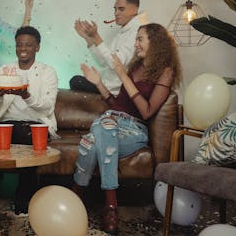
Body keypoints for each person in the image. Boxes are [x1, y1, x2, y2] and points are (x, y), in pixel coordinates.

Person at [71, 23, 182, 234]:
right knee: (105, 125)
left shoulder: (166, 71)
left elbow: (147, 112)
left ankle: (77, 193)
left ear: (155, 43)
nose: (136, 43)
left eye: (140, 39)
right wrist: (98, 83)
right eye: (136, 39)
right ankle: (111, 206)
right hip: (110, 120)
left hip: (134, 129)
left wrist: (123, 76)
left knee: (90, 141)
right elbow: (116, 105)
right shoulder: (134, 67)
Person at [0, 26, 58, 215]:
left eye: (28, 45)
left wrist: (26, 95)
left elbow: (47, 107)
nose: (23, 48)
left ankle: (23, 202)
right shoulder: (5, 70)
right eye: (19, 45)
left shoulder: (47, 72)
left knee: (30, 143)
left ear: (37, 48)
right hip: (6, 123)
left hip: (35, 124)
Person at [70, 0, 148, 96]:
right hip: (106, 85)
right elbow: (103, 62)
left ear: (135, 9)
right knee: (76, 80)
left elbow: (115, 64)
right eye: (115, 9)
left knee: (76, 81)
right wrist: (88, 39)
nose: (116, 13)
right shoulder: (123, 31)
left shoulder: (137, 31)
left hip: (117, 91)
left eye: (121, 9)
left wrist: (96, 37)